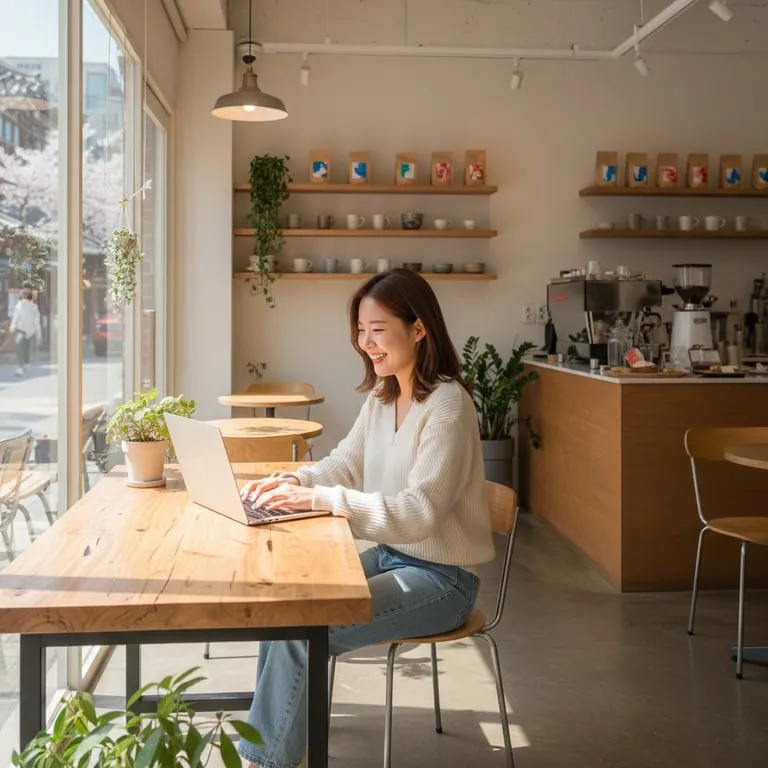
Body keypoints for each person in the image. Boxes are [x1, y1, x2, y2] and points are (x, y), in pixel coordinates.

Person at [237, 268, 496, 768]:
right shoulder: (383, 396)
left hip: (444, 579)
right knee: (284, 611)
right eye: (361, 329)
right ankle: (273, 743)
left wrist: (323, 501)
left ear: (418, 328)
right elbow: (344, 464)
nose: (366, 342)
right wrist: (295, 483)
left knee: (303, 631)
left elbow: (420, 514)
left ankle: (265, 760)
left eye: (378, 329)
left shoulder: (448, 406)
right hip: (397, 558)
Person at [9, 287, 41, 378]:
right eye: (22, 297)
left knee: (27, 348)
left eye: (25, 298)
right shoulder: (19, 305)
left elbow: (37, 321)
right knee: (19, 342)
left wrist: (39, 335)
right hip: (21, 329)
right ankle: (20, 366)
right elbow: (16, 316)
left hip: (30, 331)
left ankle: (25, 364)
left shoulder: (34, 307)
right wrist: (13, 325)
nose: (23, 300)